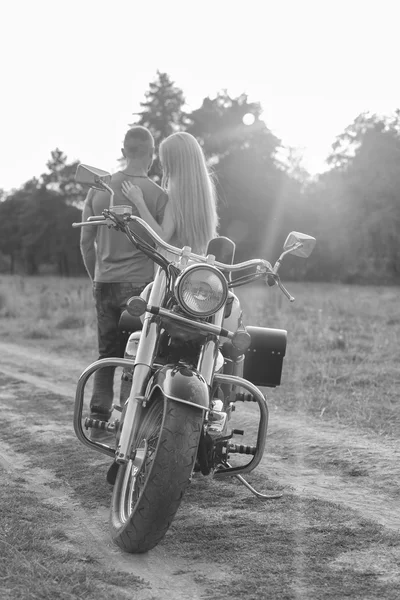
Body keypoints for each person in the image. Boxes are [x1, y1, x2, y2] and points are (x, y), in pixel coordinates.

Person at [80, 126, 168, 439]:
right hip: (140, 288)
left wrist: (96, 276)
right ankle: (125, 423)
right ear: (152, 153)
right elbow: (162, 244)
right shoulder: (158, 195)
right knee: (135, 355)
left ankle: (96, 420)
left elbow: (85, 239)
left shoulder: (99, 189)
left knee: (106, 353)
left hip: (104, 281)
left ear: (123, 150)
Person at [121, 131, 219, 255]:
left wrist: (139, 201)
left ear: (175, 162)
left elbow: (162, 238)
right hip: (193, 267)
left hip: (171, 269)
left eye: (165, 160)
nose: (162, 164)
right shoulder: (203, 197)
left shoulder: (176, 199)